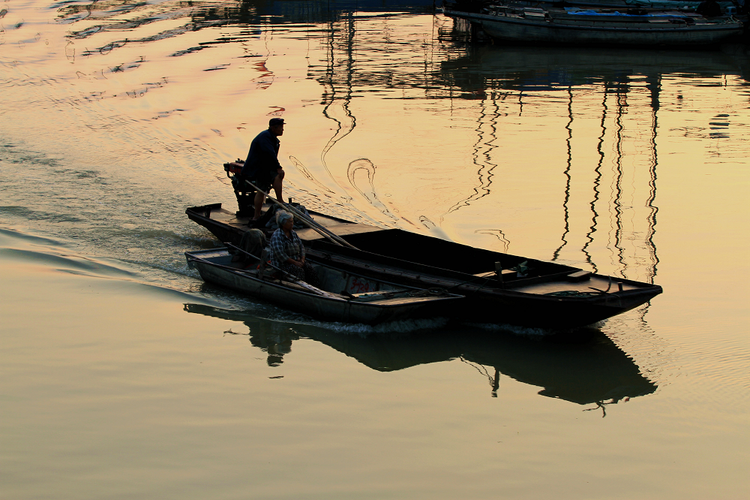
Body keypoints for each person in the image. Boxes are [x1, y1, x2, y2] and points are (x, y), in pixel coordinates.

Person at [241, 117, 286, 221]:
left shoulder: (271, 137)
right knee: (261, 190)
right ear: (274, 127)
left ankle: (279, 200)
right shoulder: (265, 137)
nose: (282, 130)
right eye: (281, 127)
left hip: (265, 167)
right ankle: (257, 216)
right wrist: (278, 167)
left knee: (274, 179)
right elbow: (269, 153)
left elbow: (271, 156)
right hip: (259, 168)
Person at [268, 210, 318, 284]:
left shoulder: (293, 233)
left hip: (296, 261)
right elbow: (281, 256)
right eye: (290, 222)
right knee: (298, 271)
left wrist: (302, 260)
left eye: (292, 221)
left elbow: (301, 247)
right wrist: (295, 263)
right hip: (282, 265)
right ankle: (301, 289)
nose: (292, 224)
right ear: (283, 223)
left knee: (309, 269)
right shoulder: (277, 236)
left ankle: (315, 287)